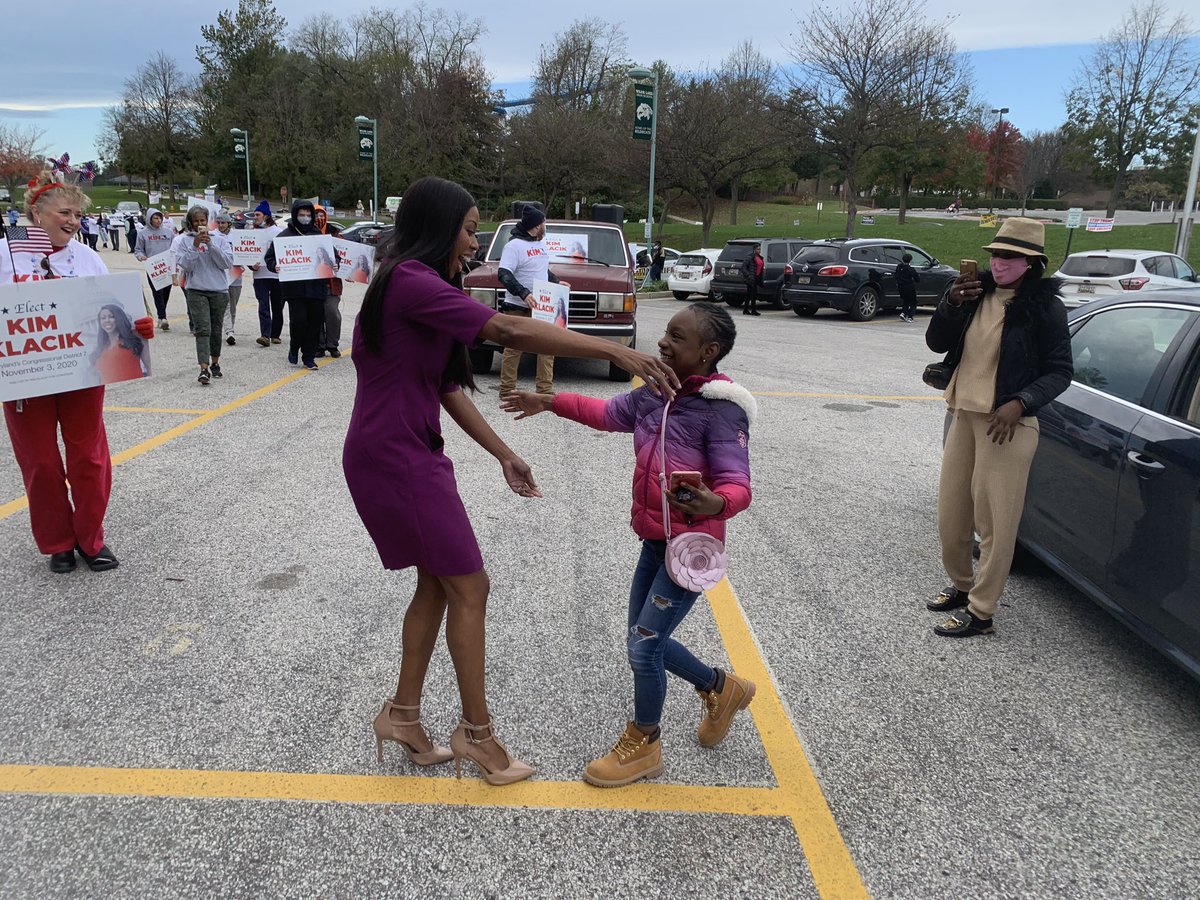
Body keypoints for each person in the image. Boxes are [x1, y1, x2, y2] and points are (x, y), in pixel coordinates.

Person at [344, 176, 680, 786]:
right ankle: (477, 736)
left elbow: (446, 386)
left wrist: (504, 453)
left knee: (437, 585)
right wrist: (616, 352)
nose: (475, 244)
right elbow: (507, 330)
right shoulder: (410, 280)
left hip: (403, 451)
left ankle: (402, 716)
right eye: (470, 230)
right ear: (439, 227)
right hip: (395, 458)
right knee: (470, 586)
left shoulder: (413, 284)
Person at [501, 303, 756, 787]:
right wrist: (548, 401)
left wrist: (716, 502)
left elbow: (738, 482)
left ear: (708, 351)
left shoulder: (722, 410)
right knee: (642, 639)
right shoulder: (654, 392)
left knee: (643, 646)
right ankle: (721, 688)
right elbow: (604, 413)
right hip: (655, 541)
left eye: (677, 337)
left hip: (690, 548)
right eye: (666, 333)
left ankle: (645, 743)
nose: (663, 342)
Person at [0, 170, 154, 573]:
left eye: (78, 214)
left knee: (89, 458)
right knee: (41, 463)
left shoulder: (86, 257)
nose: (73, 221)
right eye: (64, 213)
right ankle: (58, 542)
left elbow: (116, 307)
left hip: (81, 373)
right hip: (25, 375)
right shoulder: (5, 252)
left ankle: (90, 538)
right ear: (37, 212)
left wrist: (138, 324)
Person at [925, 217, 1072, 637]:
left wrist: (1021, 401)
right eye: (995, 254)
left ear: (1031, 263)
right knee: (952, 514)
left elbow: (1060, 371)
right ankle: (961, 585)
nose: (999, 262)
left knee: (995, 524)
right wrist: (951, 303)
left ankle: (982, 610)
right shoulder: (975, 293)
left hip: (1006, 425)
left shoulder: (1046, 307)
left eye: (1010, 256)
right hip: (963, 414)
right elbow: (936, 342)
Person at [496, 204, 569, 395]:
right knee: (513, 348)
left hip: (541, 306)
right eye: (544, 222)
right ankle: (507, 389)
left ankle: (544, 390)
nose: (545, 225)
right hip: (517, 306)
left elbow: (541, 270)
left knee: (547, 346)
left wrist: (556, 281)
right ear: (536, 225)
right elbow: (504, 274)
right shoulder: (513, 246)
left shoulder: (539, 244)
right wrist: (524, 293)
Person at [264, 199, 326, 371]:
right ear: (295, 215)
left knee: (314, 323)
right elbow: (270, 257)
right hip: (294, 289)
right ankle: (294, 346)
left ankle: (309, 357)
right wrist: (274, 265)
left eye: (308, 215)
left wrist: (335, 263)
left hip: (316, 288)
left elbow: (332, 255)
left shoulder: (318, 235)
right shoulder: (284, 236)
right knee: (299, 321)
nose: (305, 218)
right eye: (301, 214)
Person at [175, 205, 233, 385]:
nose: (199, 224)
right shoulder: (184, 241)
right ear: (191, 223)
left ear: (208, 221)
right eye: (196, 221)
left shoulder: (220, 239)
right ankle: (203, 368)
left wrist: (210, 244)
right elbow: (186, 265)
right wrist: (195, 245)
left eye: (202, 220)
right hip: (196, 290)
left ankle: (215, 362)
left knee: (216, 329)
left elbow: (226, 263)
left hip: (218, 290)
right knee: (202, 329)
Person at [134, 208, 177, 331]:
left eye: (160, 218)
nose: (158, 221)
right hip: (153, 268)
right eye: (155, 218)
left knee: (166, 293)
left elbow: (174, 248)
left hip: (167, 267)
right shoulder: (143, 234)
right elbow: (138, 250)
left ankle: (161, 315)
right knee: (157, 292)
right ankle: (163, 318)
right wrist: (141, 256)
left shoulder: (168, 232)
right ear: (149, 219)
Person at [248, 200, 283, 347]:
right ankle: (265, 335)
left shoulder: (279, 232)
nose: (255, 217)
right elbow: (248, 254)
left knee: (277, 306)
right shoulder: (253, 233)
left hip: (276, 275)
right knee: (263, 305)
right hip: (260, 276)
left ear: (266, 216)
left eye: (258, 214)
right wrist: (252, 266)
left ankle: (275, 334)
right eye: (254, 215)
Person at [313, 205, 343, 358]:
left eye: (322, 215)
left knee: (332, 314)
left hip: (331, 284)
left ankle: (332, 344)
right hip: (313, 284)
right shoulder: (306, 234)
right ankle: (319, 345)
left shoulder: (335, 235)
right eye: (316, 215)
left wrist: (340, 265)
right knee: (316, 315)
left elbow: (343, 255)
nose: (319, 218)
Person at [92, 304, 149, 384]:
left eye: (112, 317)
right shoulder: (99, 348)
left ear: (119, 318)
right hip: (111, 390)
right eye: (103, 318)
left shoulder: (133, 337)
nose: (107, 320)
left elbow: (149, 366)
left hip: (135, 386)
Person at [214, 211, 243, 346]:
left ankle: (230, 328)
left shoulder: (237, 235)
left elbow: (246, 251)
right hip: (221, 275)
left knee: (233, 306)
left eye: (223, 223)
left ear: (229, 223)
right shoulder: (213, 235)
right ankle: (229, 332)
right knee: (225, 305)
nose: (220, 225)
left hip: (236, 275)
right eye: (219, 222)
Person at [895, 253, 920, 323]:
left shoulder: (899, 267)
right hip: (909, 287)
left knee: (906, 300)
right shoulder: (911, 269)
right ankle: (910, 317)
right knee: (913, 302)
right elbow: (917, 279)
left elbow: (896, 276)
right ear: (910, 260)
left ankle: (903, 313)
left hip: (901, 287)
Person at [741, 244, 763, 316]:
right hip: (751, 278)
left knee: (749, 294)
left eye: (759, 249)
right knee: (753, 294)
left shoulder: (760, 257)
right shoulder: (750, 257)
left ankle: (745, 309)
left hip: (757, 277)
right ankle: (753, 310)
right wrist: (749, 275)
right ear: (754, 250)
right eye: (757, 249)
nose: (759, 251)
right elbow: (743, 267)